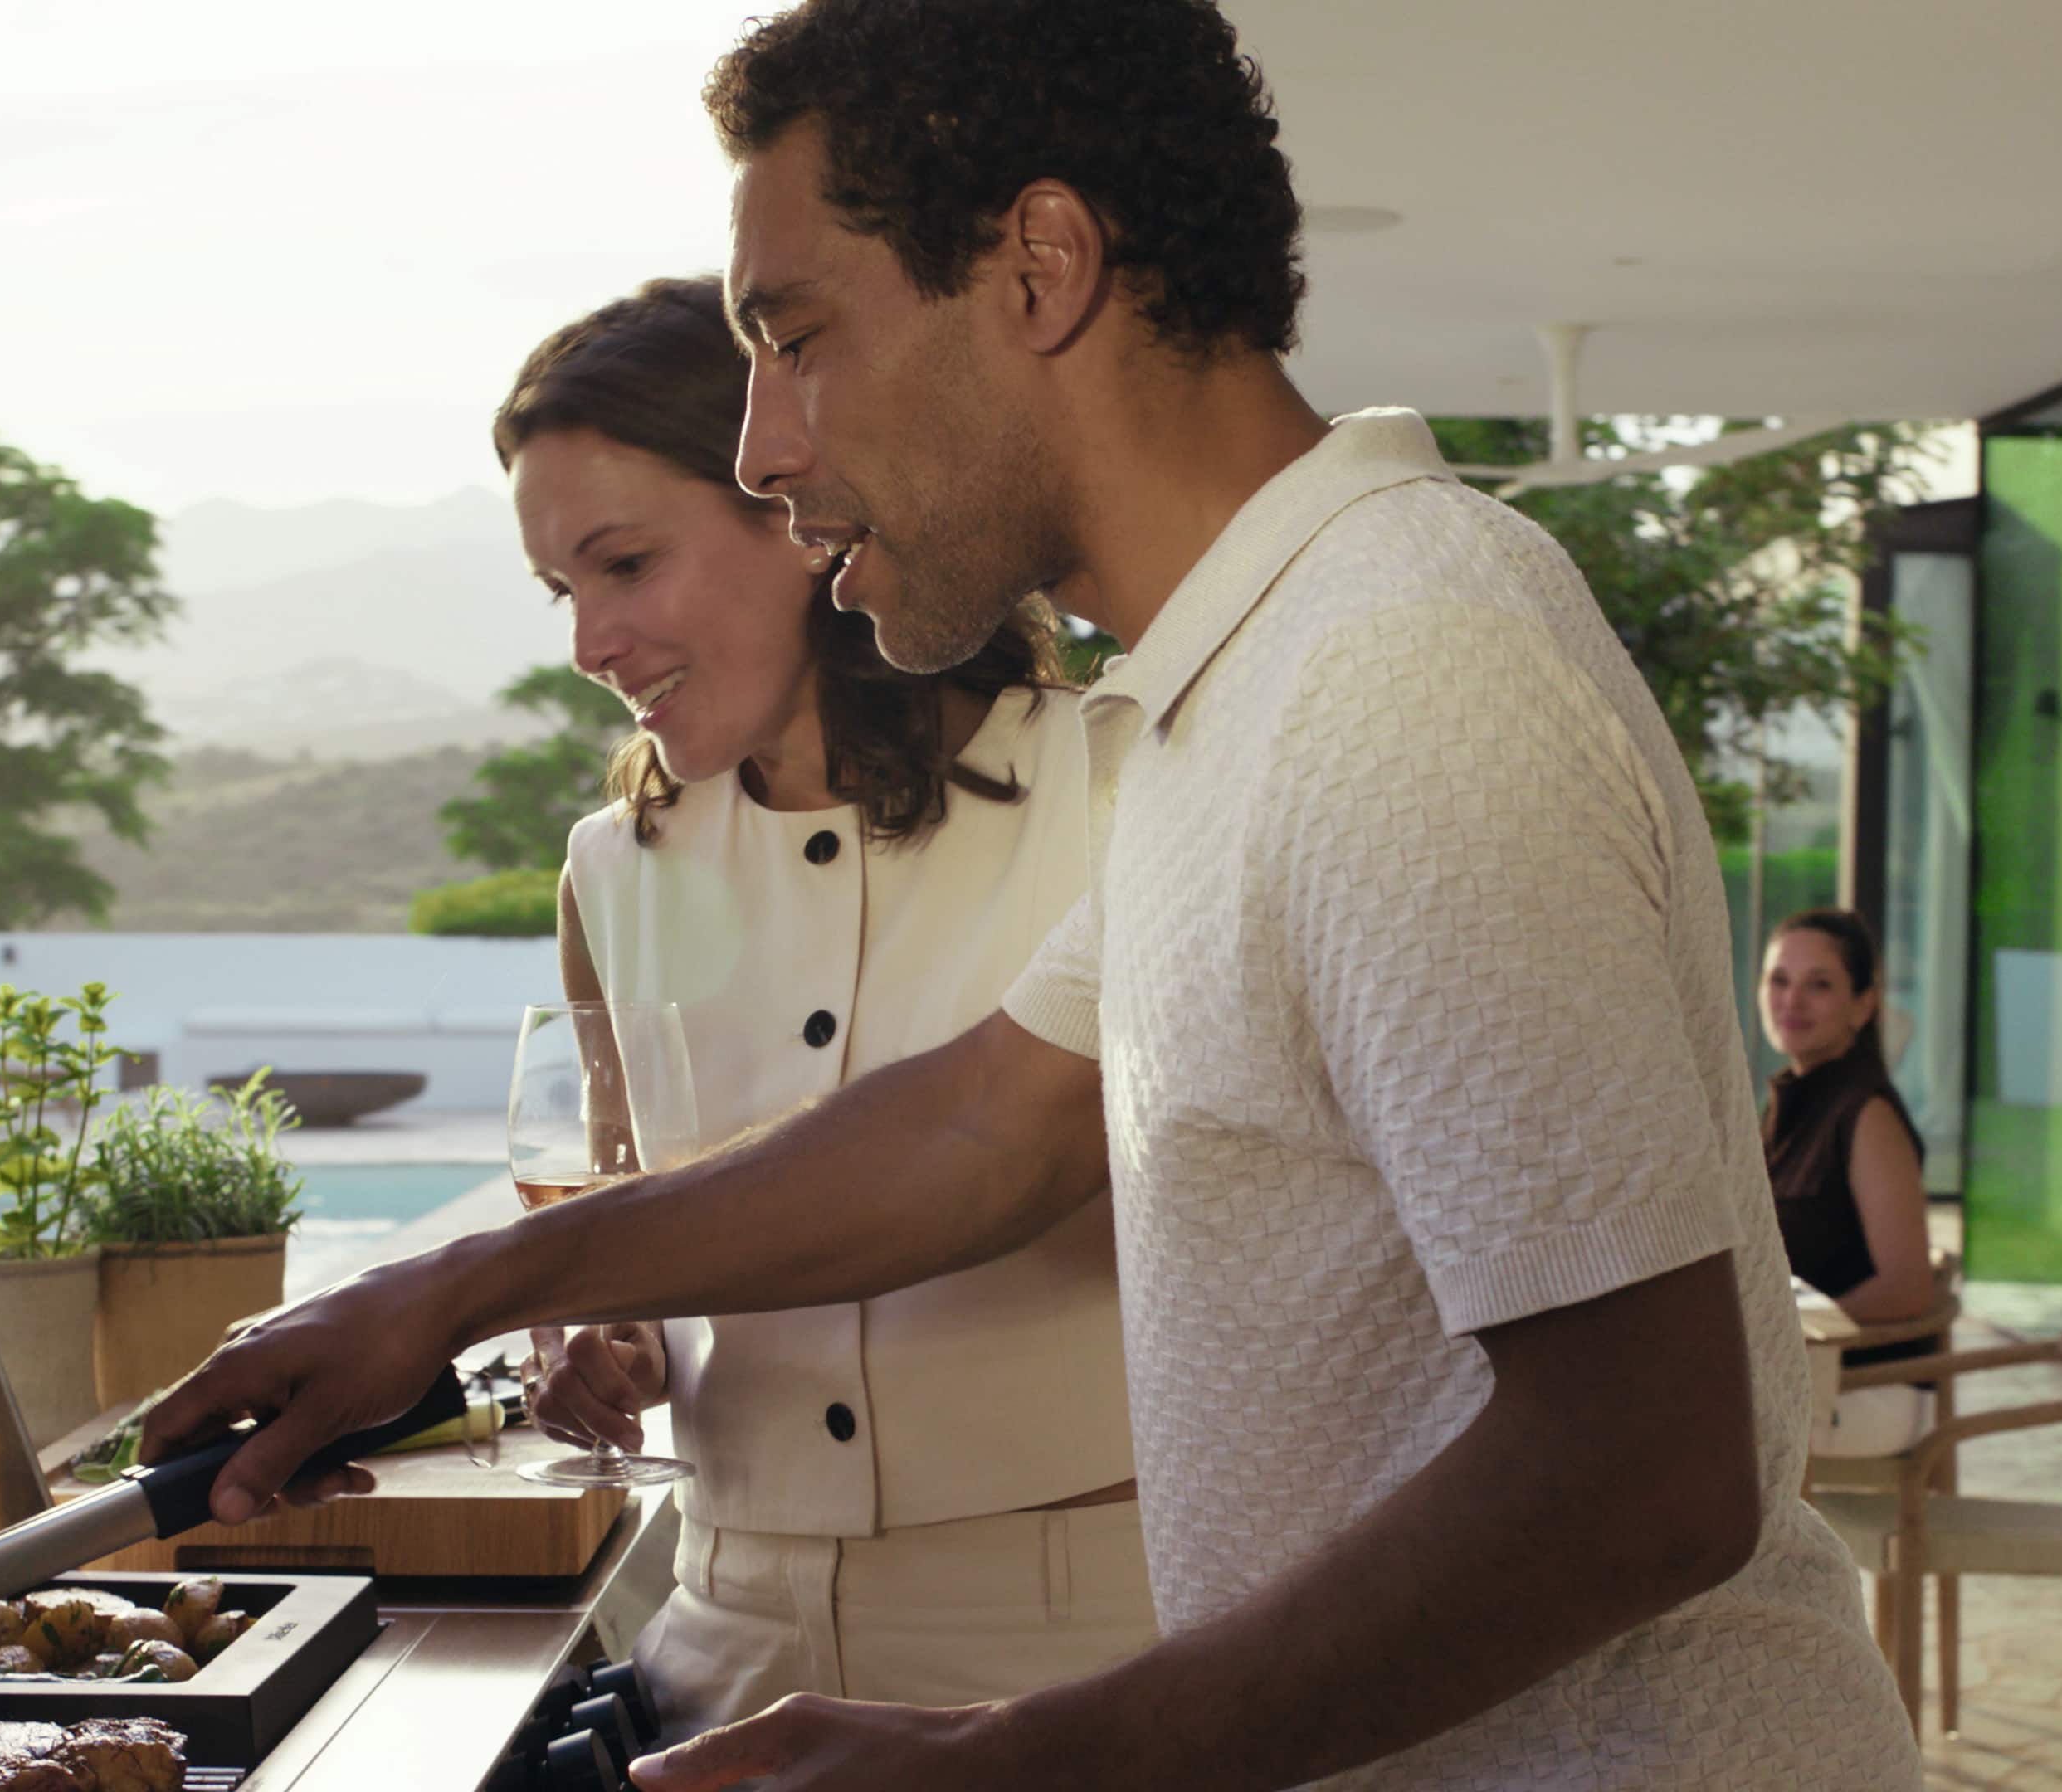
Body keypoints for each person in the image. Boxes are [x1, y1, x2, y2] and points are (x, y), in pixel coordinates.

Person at [145, 3, 1921, 1786]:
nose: (763, 445)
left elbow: (1645, 1476)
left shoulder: (1400, 672)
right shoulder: (1237, 688)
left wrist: (1016, 1763)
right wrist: (453, 1287)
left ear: (1041, 267)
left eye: (796, 337)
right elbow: (990, 1124)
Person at [493, 275, 1156, 1737]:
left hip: (1086, 1635)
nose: (591, 646)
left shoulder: (1114, 786)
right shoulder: (613, 870)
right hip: (723, 1638)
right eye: (565, 593)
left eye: (626, 565)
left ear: (787, 514)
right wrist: (608, 1340)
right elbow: (632, 1231)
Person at [1759, 907, 1941, 1455]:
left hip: (1863, 1392)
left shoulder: (1866, 1115)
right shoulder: (1783, 1108)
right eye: (1779, 980)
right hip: (1799, 1380)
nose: (1792, 1000)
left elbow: (1909, 1287)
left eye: (1820, 985)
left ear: (1864, 1006)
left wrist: (1781, 1338)